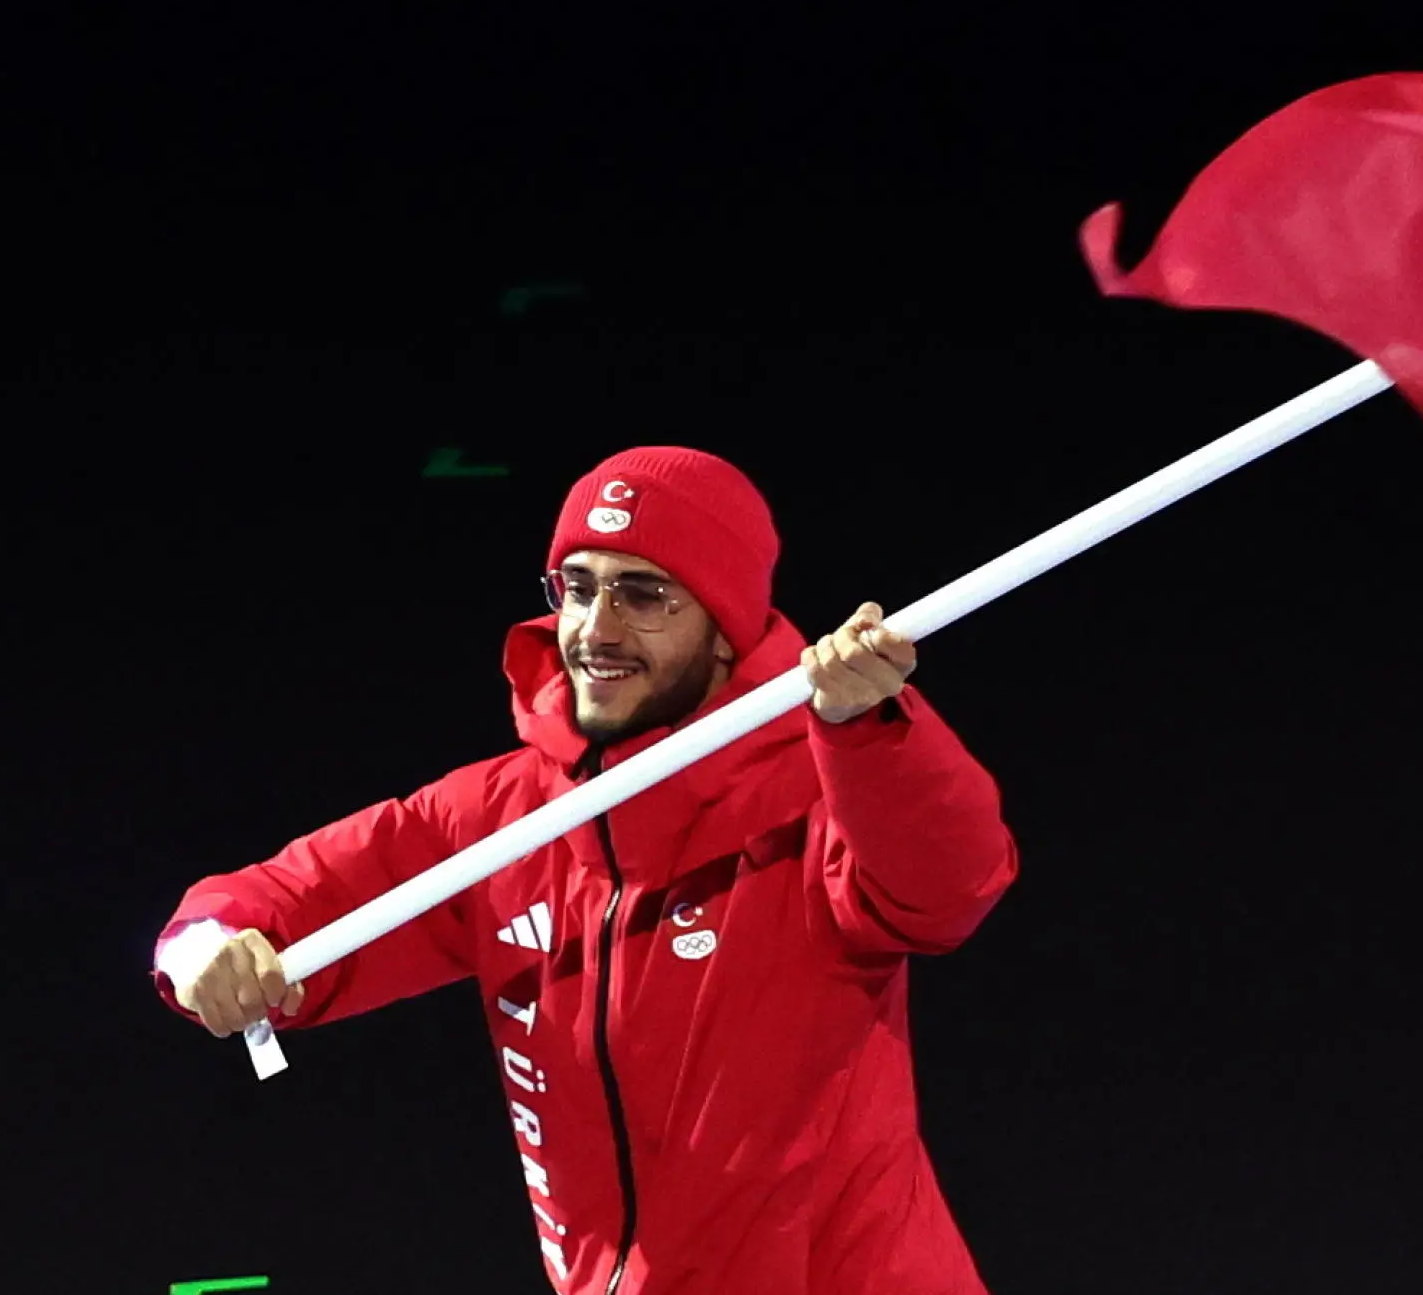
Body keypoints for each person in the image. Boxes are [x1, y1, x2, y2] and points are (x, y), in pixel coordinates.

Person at [152, 446, 1019, 1294]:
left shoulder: (819, 783)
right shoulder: (499, 815)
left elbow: (948, 883)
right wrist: (207, 946)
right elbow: (289, 896)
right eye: (576, 586)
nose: (595, 627)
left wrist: (868, 728)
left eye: (643, 593)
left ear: (726, 630)